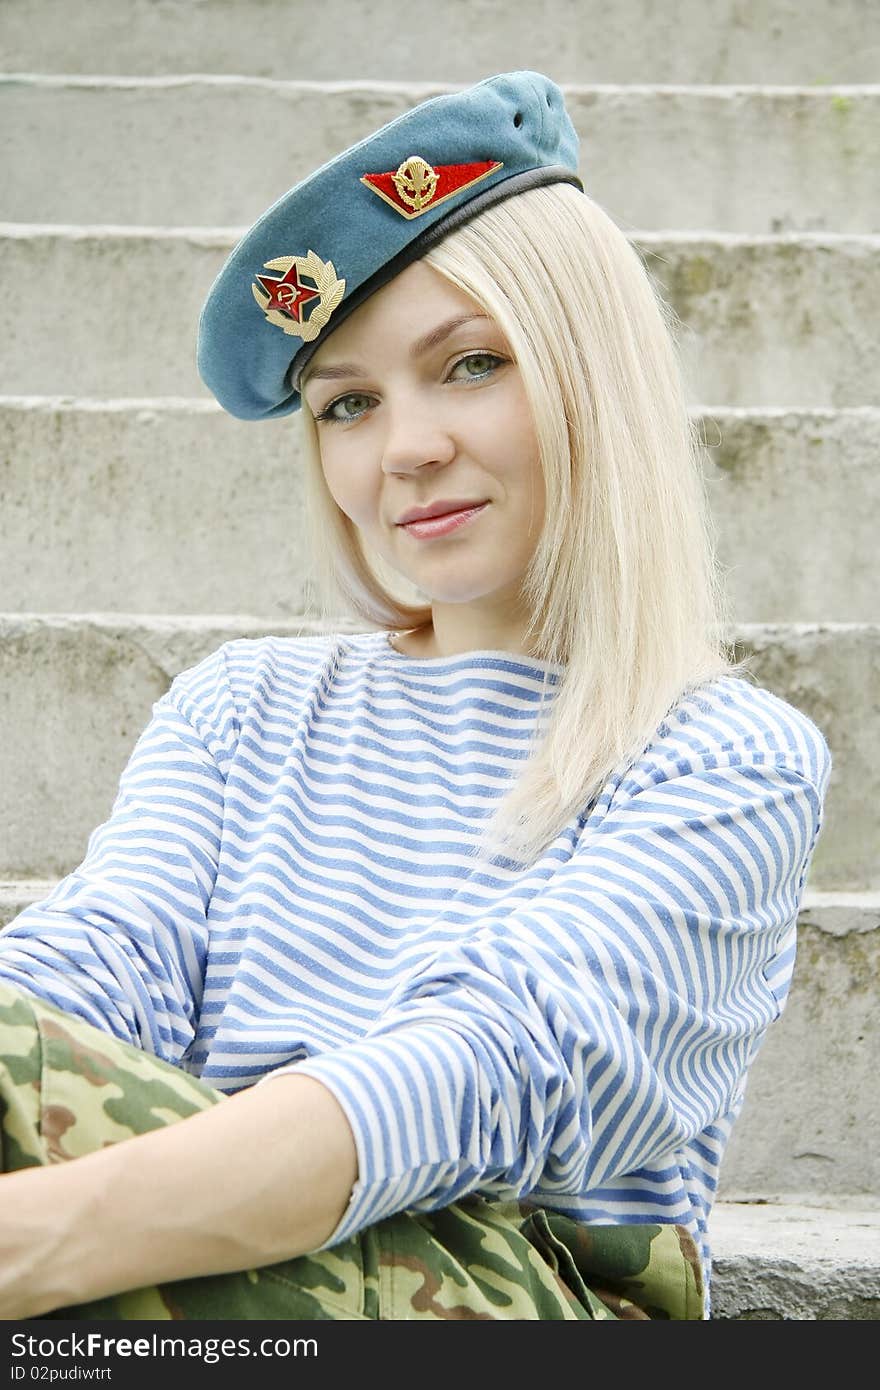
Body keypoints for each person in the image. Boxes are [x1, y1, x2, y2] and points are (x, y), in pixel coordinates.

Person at [0, 71, 831, 1322]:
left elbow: (480, 1071)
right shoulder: (242, 708)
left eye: (472, 364)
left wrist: (32, 1236)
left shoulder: (726, 756)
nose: (405, 449)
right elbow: (87, 972)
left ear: (592, 377)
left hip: (512, 1286)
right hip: (188, 1248)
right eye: (348, 402)